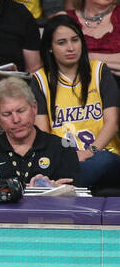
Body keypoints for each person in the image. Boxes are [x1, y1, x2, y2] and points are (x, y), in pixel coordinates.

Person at [31, 14, 120, 188]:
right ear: (50, 47)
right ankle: (64, 184)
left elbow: (113, 123)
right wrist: (69, 158)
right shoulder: (40, 80)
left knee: (104, 160)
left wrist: (88, 152)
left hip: (103, 154)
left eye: (75, 40)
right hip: (63, 160)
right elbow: (43, 133)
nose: (70, 48)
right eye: (62, 42)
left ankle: (63, 187)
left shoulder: (99, 71)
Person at [0, 76, 79, 185]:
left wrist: (55, 191)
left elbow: (77, 196)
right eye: (7, 114)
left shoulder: (63, 148)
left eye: (21, 111)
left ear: (34, 108)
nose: (16, 120)